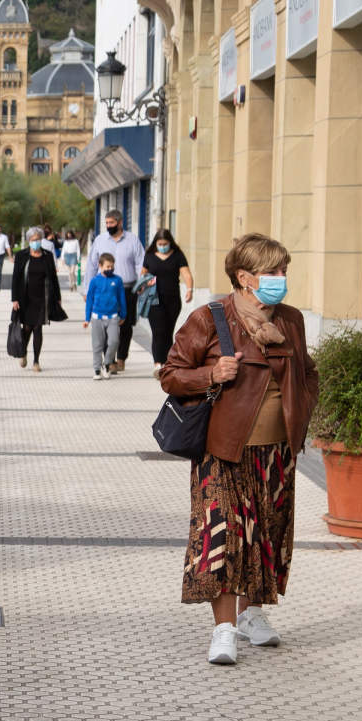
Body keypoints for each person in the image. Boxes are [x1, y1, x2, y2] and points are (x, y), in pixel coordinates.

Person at [159, 233, 318, 666]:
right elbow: (171, 373)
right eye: (273, 272)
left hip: (276, 453)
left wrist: (301, 413)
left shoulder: (290, 320)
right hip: (223, 450)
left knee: (266, 535)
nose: (281, 279)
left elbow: (307, 372)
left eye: (284, 270)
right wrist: (210, 374)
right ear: (245, 277)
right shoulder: (210, 318)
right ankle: (224, 629)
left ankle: (251, 615)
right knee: (224, 536)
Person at [86, 209, 145, 373]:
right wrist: (87, 290)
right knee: (106, 326)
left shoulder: (133, 240)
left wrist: (142, 283)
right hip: (104, 290)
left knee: (125, 326)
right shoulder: (100, 240)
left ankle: (121, 358)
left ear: (120, 223)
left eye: (111, 223)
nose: (108, 226)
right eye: (106, 223)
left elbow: (141, 264)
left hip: (127, 290)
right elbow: (91, 265)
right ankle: (109, 361)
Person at [140, 228, 196, 378]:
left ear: (170, 243)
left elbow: (186, 273)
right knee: (158, 331)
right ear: (155, 243)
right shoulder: (150, 255)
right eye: (160, 243)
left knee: (168, 332)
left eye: (165, 243)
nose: (163, 246)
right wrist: (142, 289)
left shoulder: (177, 255)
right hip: (154, 300)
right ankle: (158, 364)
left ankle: (167, 363)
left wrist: (189, 289)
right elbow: (143, 274)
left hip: (172, 300)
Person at [9, 226, 63, 372]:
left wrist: (57, 297)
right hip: (25, 298)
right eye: (33, 240)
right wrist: (14, 299)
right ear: (28, 241)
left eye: (38, 239)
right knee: (26, 328)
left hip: (42, 298)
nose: (36, 242)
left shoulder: (47, 256)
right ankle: (23, 352)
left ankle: (36, 361)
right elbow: (16, 278)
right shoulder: (21, 256)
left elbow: (53, 278)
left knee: (38, 328)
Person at [82, 253, 126, 380]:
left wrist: (123, 314)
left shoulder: (117, 280)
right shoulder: (95, 281)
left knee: (114, 341)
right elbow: (89, 299)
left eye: (112, 266)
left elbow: (121, 298)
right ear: (100, 266)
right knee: (97, 345)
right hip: (97, 317)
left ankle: (107, 363)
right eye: (107, 266)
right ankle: (97, 369)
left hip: (113, 317)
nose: (110, 269)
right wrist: (87, 318)